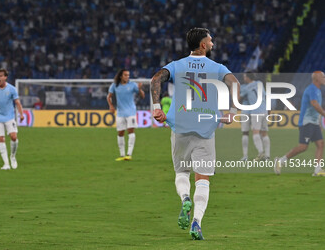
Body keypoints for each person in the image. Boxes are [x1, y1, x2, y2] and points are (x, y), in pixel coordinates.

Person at [151, 28, 240, 240]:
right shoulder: (217, 68)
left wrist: (156, 107)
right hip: (205, 128)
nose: (212, 43)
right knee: (203, 179)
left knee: (182, 173)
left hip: (180, 125)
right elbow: (234, 84)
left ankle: (184, 199)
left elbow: (155, 80)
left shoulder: (176, 65)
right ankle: (197, 222)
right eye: (210, 41)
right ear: (202, 45)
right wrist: (232, 112)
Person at [275, 71, 325, 176]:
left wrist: (319, 122)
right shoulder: (312, 89)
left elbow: (316, 107)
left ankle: (317, 170)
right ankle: (281, 161)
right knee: (303, 147)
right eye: (323, 77)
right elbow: (314, 104)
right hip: (307, 122)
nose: (324, 78)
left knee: (320, 144)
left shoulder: (318, 91)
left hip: (313, 122)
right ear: (316, 79)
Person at [0, 68, 24, 170]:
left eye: (0, 76)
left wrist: (21, 114)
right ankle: (6, 164)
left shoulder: (12, 89)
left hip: (9, 117)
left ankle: (13, 156)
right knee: (1, 139)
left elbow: (17, 102)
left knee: (14, 137)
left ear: (5, 77)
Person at [107, 69, 145, 161]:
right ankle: (122, 155)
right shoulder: (115, 85)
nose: (127, 77)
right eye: (125, 75)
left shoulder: (132, 85)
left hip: (131, 112)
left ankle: (129, 154)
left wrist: (140, 89)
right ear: (121, 76)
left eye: (128, 75)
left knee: (130, 131)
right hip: (120, 112)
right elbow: (109, 96)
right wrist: (111, 106)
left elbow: (142, 96)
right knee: (120, 133)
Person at [240, 72, 270, 161]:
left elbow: (238, 98)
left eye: (245, 77)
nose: (244, 78)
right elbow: (266, 96)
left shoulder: (245, 88)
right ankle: (267, 156)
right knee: (264, 133)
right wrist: (269, 110)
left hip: (254, 111)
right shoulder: (260, 83)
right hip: (264, 110)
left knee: (252, 133)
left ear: (248, 78)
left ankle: (260, 153)